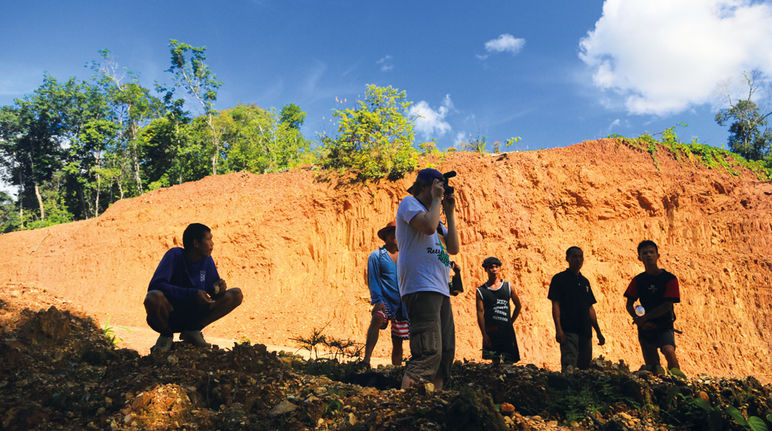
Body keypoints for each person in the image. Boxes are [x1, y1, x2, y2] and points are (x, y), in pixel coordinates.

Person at [397, 168, 460, 390]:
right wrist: (435, 199)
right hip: (421, 286)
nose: (441, 190)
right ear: (425, 185)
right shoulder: (409, 204)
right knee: (428, 351)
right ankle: (404, 405)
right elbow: (427, 227)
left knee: (445, 354)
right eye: (437, 185)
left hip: (440, 289)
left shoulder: (436, 215)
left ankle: (434, 405)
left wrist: (449, 211)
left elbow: (453, 248)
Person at [144, 223, 243, 353]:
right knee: (153, 297)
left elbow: (212, 289)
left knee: (235, 294)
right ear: (196, 243)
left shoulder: (207, 260)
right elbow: (156, 285)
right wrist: (191, 294)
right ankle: (166, 335)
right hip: (170, 315)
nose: (212, 244)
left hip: (193, 314)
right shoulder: (175, 255)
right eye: (209, 239)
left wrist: (218, 288)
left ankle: (193, 330)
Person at [624, 240, 681, 374]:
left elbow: (667, 305)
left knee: (669, 351)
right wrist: (638, 319)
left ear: (657, 255)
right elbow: (629, 304)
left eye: (651, 252)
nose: (648, 255)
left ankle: (678, 384)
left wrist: (644, 319)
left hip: (664, 324)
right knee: (652, 364)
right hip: (645, 327)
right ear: (639, 257)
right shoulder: (638, 280)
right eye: (645, 253)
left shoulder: (670, 279)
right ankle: (658, 389)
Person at [548, 246, 605, 372]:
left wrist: (598, 332)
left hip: (586, 331)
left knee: (585, 368)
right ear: (567, 258)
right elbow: (555, 305)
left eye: (580, 256)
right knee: (569, 367)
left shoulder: (585, 282)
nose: (578, 259)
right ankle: (567, 391)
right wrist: (559, 329)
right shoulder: (559, 279)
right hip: (568, 331)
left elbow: (590, 308)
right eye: (575, 256)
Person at [363, 221, 409, 367]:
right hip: (385, 301)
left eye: (398, 232)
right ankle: (366, 359)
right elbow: (373, 280)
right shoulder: (376, 256)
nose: (396, 235)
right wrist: (378, 301)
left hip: (403, 303)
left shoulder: (406, 256)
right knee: (377, 318)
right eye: (392, 233)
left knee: (398, 339)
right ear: (386, 237)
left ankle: (396, 368)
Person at [475, 256, 521, 364]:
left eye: (496, 267)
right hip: (491, 331)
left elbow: (518, 306)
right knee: (495, 362)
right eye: (491, 267)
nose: (494, 269)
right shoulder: (481, 291)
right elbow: (480, 313)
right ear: (486, 269)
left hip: (506, 331)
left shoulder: (508, 287)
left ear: (500, 268)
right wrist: (484, 334)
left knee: (509, 362)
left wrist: (511, 321)